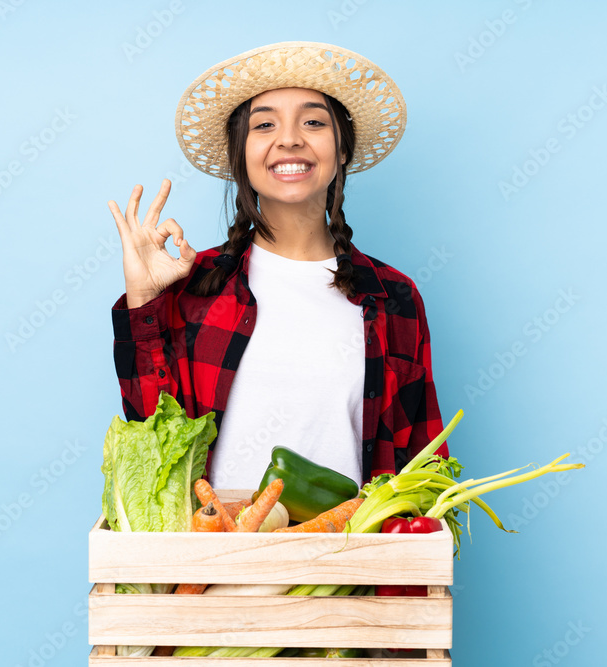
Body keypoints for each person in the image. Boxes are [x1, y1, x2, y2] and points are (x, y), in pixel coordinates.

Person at [108, 41, 448, 489]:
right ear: (240, 155)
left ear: (341, 149)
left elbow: (422, 467)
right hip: (214, 552)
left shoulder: (395, 298)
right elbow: (152, 445)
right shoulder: (195, 286)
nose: (289, 138)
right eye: (265, 124)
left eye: (313, 121)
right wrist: (145, 301)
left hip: (351, 555)